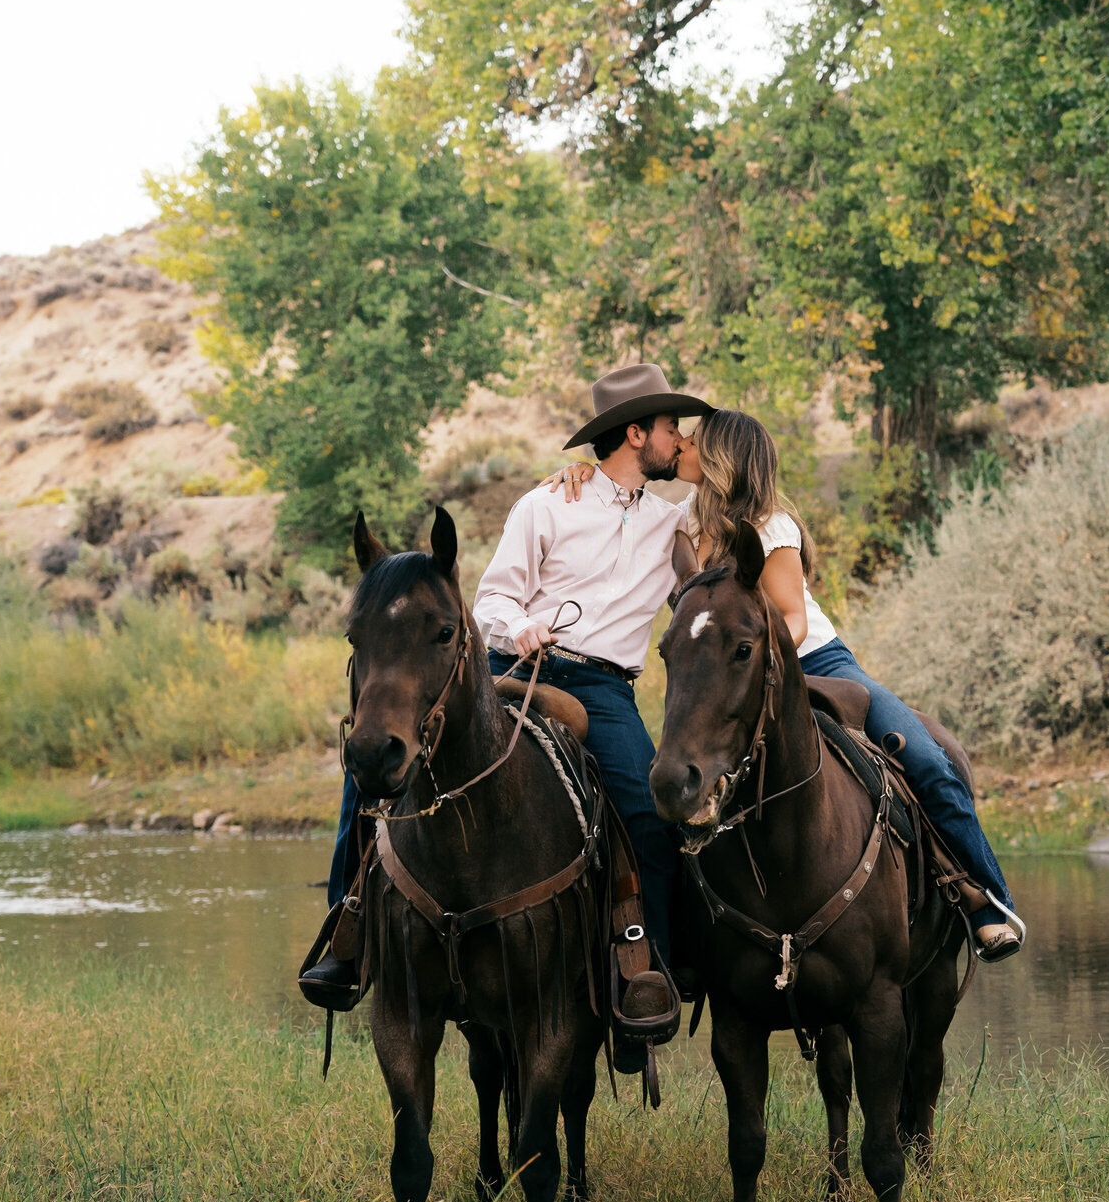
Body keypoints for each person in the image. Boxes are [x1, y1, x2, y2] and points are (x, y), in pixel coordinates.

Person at [301, 363, 709, 1028]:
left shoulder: (675, 525)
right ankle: (348, 934)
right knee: (374, 765)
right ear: (636, 433)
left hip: (604, 688)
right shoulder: (545, 504)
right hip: (512, 670)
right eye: (671, 428)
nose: (680, 441)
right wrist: (521, 625)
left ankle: (645, 966)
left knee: (647, 810)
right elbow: (491, 596)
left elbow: (735, 487)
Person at [563, 407, 1024, 959]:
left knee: (923, 756)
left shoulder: (770, 526)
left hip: (815, 664)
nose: (680, 444)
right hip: (729, 680)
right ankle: (692, 937)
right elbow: (623, 499)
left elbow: (793, 617)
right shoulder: (681, 522)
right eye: (679, 436)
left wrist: (760, 659)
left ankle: (988, 901)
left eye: (692, 440)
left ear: (720, 460)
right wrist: (580, 475)